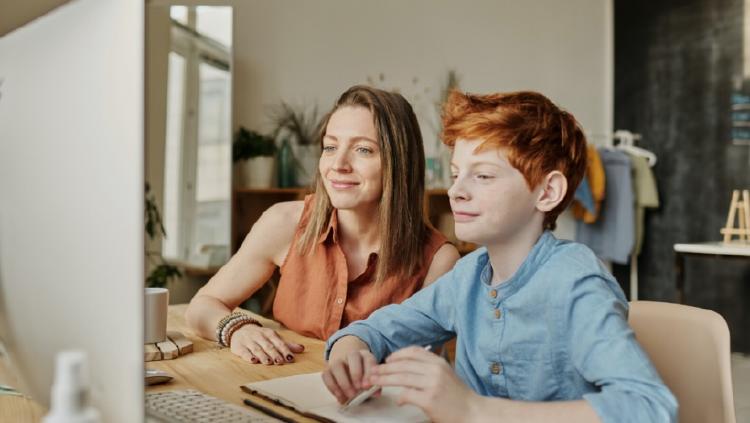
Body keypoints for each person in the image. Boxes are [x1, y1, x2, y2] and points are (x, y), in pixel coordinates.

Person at [322, 91, 678, 422]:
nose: (456, 191)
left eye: (483, 176)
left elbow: (649, 407)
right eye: (457, 174)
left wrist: (475, 409)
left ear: (548, 191)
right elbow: (378, 329)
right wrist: (349, 352)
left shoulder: (576, 282)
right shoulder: (468, 275)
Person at [185, 85, 459, 366]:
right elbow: (202, 306)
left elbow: (424, 365)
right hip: (274, 391)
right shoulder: (283, 223)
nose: (338, 164)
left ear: (399, 162)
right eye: (330, 147)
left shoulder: (438, 260)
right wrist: (238, 329)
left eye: (363, 150)